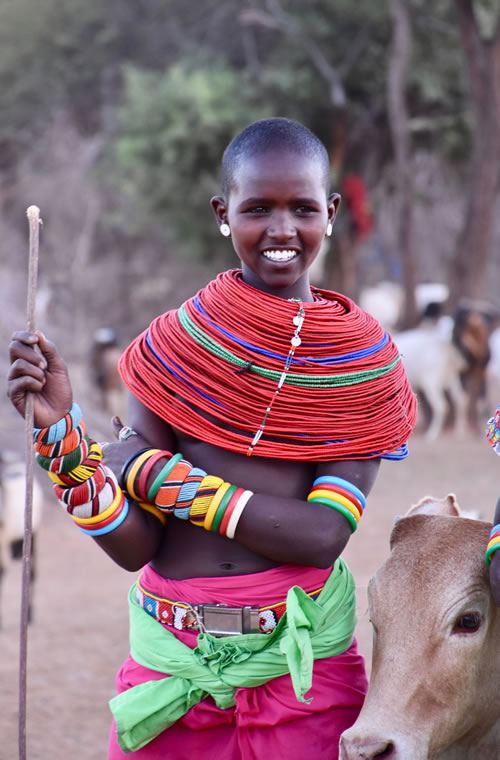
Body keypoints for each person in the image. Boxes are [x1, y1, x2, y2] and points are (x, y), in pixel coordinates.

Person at [7, 118, 417, 759]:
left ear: (331, 213)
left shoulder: (357, 366)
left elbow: (321, 536)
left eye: (302, 209)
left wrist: (154, 476)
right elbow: (136, 546)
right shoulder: (175, 351)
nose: (282, 230)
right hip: (171, 667)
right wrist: (61, 437)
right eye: (258, 209)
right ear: (223, 214)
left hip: (299, 672)